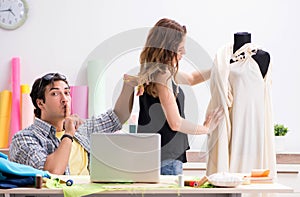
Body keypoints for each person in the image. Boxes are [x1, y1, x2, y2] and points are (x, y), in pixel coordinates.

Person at [135, 18, 224, 175]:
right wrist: (206, 129)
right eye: (180, 48)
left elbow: (191, 78)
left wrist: (220, 67)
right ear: (167, 48)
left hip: (157, 157)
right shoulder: (163, 76)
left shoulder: (157, 72)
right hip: (165, 158)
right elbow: (175, 123)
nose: (184, 53)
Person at [9, 72, 135, 175]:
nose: (64, 99)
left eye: (67, 93)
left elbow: (119, 116)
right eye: (55, 94)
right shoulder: (24, 139)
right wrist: (68, 134)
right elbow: (52, 173)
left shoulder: (82, 128)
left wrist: (129, 84)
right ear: (40, 103)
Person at [206, 32, 276, 177]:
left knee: (254, 172)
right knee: (230, 168)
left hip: (255, 123)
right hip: (230, 121)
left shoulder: (262, 57)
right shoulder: (223, 59)